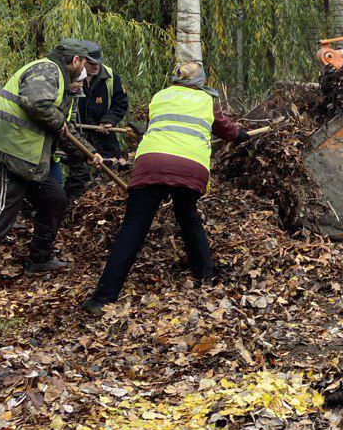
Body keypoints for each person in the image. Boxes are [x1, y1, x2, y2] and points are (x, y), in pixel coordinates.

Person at [84, 60, 248, 314]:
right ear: (200, 82)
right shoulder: (207, 102)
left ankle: (102, 298)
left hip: (151, 163)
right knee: (188, 219)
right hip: (190, 167)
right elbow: (227, 130)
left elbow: (153, 126)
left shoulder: (159, 96)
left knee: (133, 229)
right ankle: (206, 278)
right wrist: (242, 135)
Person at [0, 39, 101, 273]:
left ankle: (40, 260)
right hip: (8, 151)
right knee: (1, 215)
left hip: (29, 159)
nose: (84, 68)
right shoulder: (47, 69)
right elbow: (35, 104)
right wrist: (59, 121)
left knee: (54, 199)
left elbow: (63, 130)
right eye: (83, 62)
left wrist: (89, 153)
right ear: (74, 60)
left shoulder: (61, 84)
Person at [62, 41, 130, 199]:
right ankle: (71, 206)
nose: (95, 67)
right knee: (78, 174)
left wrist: (109, 119)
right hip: (78, 134)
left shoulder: (110, 76)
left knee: (109, 171)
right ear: (81, 62)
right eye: (91, 64)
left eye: (98, 63)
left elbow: (121, 103)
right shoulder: (72, 78)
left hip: (104, 136)